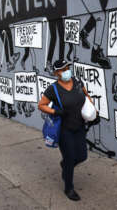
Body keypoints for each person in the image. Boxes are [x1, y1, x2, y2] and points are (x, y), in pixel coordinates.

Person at [38, 59, 94, 201]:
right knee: (69, 158)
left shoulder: (77, 82)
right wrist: (55, 112)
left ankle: (65, 165)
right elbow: (41, 105)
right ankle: (68, 187)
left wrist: (93, 110)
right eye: (63, 69)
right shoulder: (53, 89)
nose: (67, 71)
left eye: (67, 67)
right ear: (57, 73)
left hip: (80, 126)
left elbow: (86, 96)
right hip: (64, 129)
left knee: (82, 156)